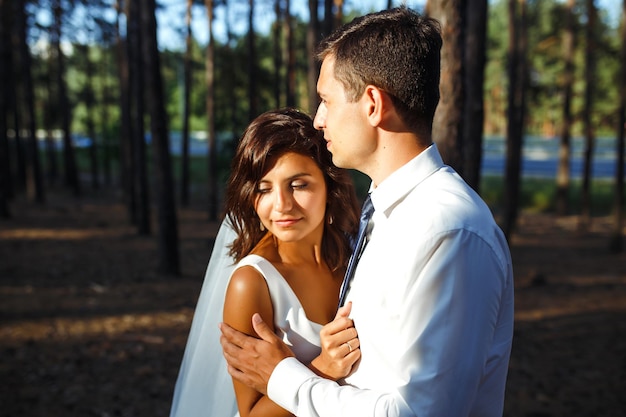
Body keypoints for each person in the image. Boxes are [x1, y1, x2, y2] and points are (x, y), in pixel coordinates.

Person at [219, 6, 515, 417]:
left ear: (373, 104)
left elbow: (423, 413)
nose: (318, 120)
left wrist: (283, 377)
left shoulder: (448, 230)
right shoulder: (383, 215)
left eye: (326, 100)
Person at [169, 108, 360, 417]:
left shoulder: (353, 251)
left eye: (298, 185)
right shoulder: (252, 283)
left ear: (329, 184)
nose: (282, 206)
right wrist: (323, 368)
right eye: (264, 189)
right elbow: (250, 414)